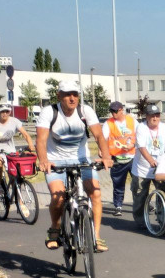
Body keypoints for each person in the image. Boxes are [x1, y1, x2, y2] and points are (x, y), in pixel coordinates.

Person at [35, 81, 114, 251]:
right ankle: (55, 229)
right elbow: (41, 140)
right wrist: (43, 160)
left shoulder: (85, 111)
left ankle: (96, 236)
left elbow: (99, 135)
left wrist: (106, 156)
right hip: (56, 160)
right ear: (59, 95)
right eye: (67, 94)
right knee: (59, 198)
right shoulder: (50, 112)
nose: (72, 98)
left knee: (96, 193)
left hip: (81, 159)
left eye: (75, 94)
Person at [131, 103, 165, 229]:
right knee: (140, 196)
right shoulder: (141, 128)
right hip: (142, 169)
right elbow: (141, 147)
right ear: (147, 116)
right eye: (152, 116)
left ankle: (164, 220)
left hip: (160, 169)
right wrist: (150, 160)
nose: (155, 118)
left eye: (157, 115)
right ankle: (140, 221)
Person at [0, 102, 33, 187]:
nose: (4, 114)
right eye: (2, 111)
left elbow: (25, 134)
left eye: (7, 111)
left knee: (14, 174)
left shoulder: (14, 121)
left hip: (9, 150)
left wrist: (31, 145)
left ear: (10, 112)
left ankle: (17, 197)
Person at [101, 101, 136, 216]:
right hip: (117, 159)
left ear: (121, 110)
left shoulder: (132, 120)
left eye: (115, 111)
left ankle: (141, 204)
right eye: (111, 111)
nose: (113, 113)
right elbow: (102, 139)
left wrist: (133, 145)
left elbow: (140, 134)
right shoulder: (108, 124)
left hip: (133, 158)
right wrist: (102, 151)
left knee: (137, 184)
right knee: (118, 185)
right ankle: (118, 206)